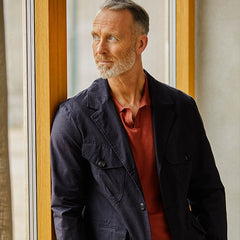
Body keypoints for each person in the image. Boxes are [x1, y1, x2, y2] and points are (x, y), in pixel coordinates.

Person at [50, 0, 227, 239]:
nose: (99, 49)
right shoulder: (74, 118)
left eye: (112, 38)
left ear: (140, 43)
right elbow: (66, 208)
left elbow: (208, 192)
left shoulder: (182, 108)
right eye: (95, 36)